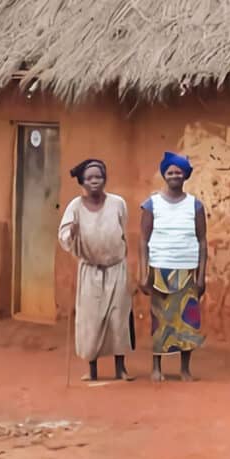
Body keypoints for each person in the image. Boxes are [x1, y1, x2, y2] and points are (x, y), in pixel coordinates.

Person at [58, 159, 133, 381]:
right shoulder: (75, 207)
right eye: (89, 178)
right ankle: (92, 370)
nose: (94, 181)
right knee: (91, 319)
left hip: (116, 268)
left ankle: (121, 368)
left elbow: (122, 228)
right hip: (89, 270)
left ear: (104, 179)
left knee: (118, 317)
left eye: (98, 177)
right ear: (82, 181)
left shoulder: (118, 203)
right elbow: (63, 237)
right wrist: (71, 233)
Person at [139, 152, 207, 382]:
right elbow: (143, 241)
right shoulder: (152, 204)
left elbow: (203, 241)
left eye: (179, 172)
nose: (175, 175)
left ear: (185, 175)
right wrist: (143, 273)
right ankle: (156, 367)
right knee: (160, 320)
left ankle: (184, 369)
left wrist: (201, 275)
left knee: (188, 321)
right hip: (159, 269)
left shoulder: (195, 205)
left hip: (187, 269)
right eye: (171, 172)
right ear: (164, 175)